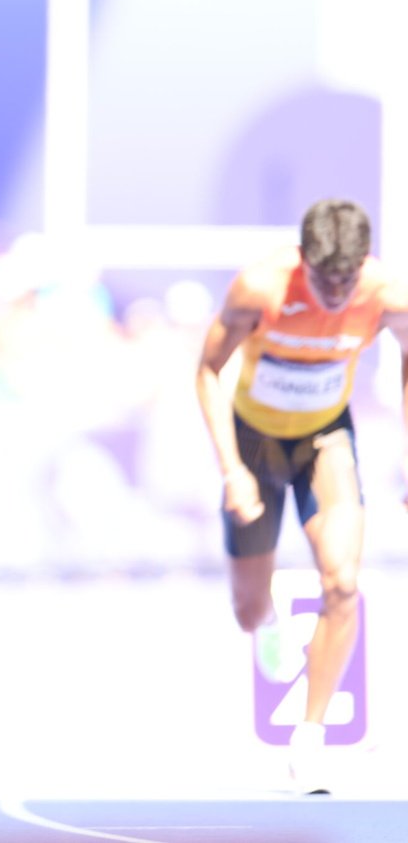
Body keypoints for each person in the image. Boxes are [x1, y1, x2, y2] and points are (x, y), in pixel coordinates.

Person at [194, 198, 408, 795]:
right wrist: (232, 468)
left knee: (342, 583)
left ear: (362, 264)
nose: (337, 294)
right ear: (303, 262)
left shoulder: (389, 294)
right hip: (256, 442)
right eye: (324, 280)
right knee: (248, 610)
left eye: (347, 279)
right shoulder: (260, 287)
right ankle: (266, 625)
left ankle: (309, 744)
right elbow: (208, 372)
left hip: (324, 438)